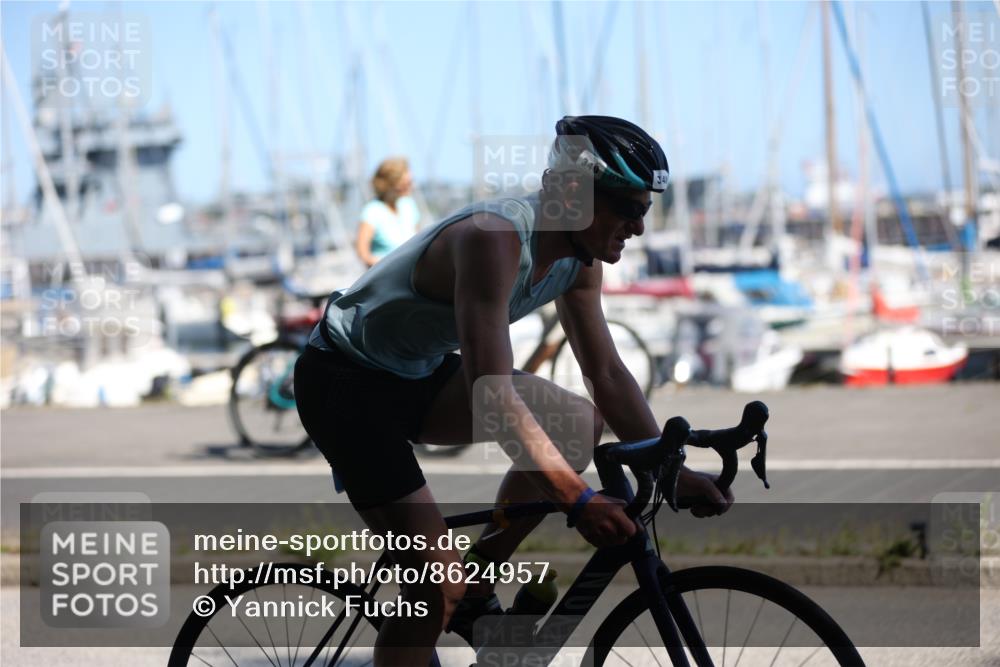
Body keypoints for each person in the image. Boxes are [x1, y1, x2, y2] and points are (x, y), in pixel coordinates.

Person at [295, 116, 733, 665]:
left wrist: (671, 471)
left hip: (414, 373)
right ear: (574, 193)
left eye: (645, 210)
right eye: (628, 207)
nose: (638, 226)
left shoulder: (579, 261)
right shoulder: (495, 238)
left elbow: (608, 373)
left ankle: (477, 582)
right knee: (434, 588)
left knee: (576, 421)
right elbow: (492, 395)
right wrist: (577, 499)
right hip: (345, 383)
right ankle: (453, 593)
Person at [354, 157, 421, 267]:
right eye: (406, 183)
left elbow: (419, 241)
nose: (411, 187)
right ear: (391, 184)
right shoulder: (372, 211)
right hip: (385, 274)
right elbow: (363, 253)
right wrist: (384, 266)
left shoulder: (409, 205)